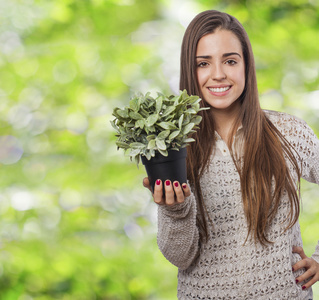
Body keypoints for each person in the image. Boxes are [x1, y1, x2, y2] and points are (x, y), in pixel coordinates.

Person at [143, 10, 319, 299]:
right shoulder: (174, 146)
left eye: (230, 60)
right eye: (203, 63)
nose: (218, 74)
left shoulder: (289, 133)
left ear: (246, 66)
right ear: (190, 69)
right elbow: (180, 257)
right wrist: (175, 210)